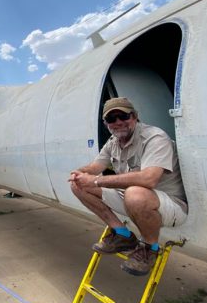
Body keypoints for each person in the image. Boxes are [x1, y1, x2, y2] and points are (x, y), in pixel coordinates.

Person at [69, 97, 187, 276]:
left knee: (135, 194)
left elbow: (149, 180)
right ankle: (122, 235)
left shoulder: (154, 137)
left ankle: (150, 248)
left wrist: (95, 180)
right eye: (111, 119)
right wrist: (79, 173)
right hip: (134, 199)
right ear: (106, 123)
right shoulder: (113, 142)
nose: (118, 122)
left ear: (135, 116)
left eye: (123, 116)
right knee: (78, 186)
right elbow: (95, 167)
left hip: (169, 204)